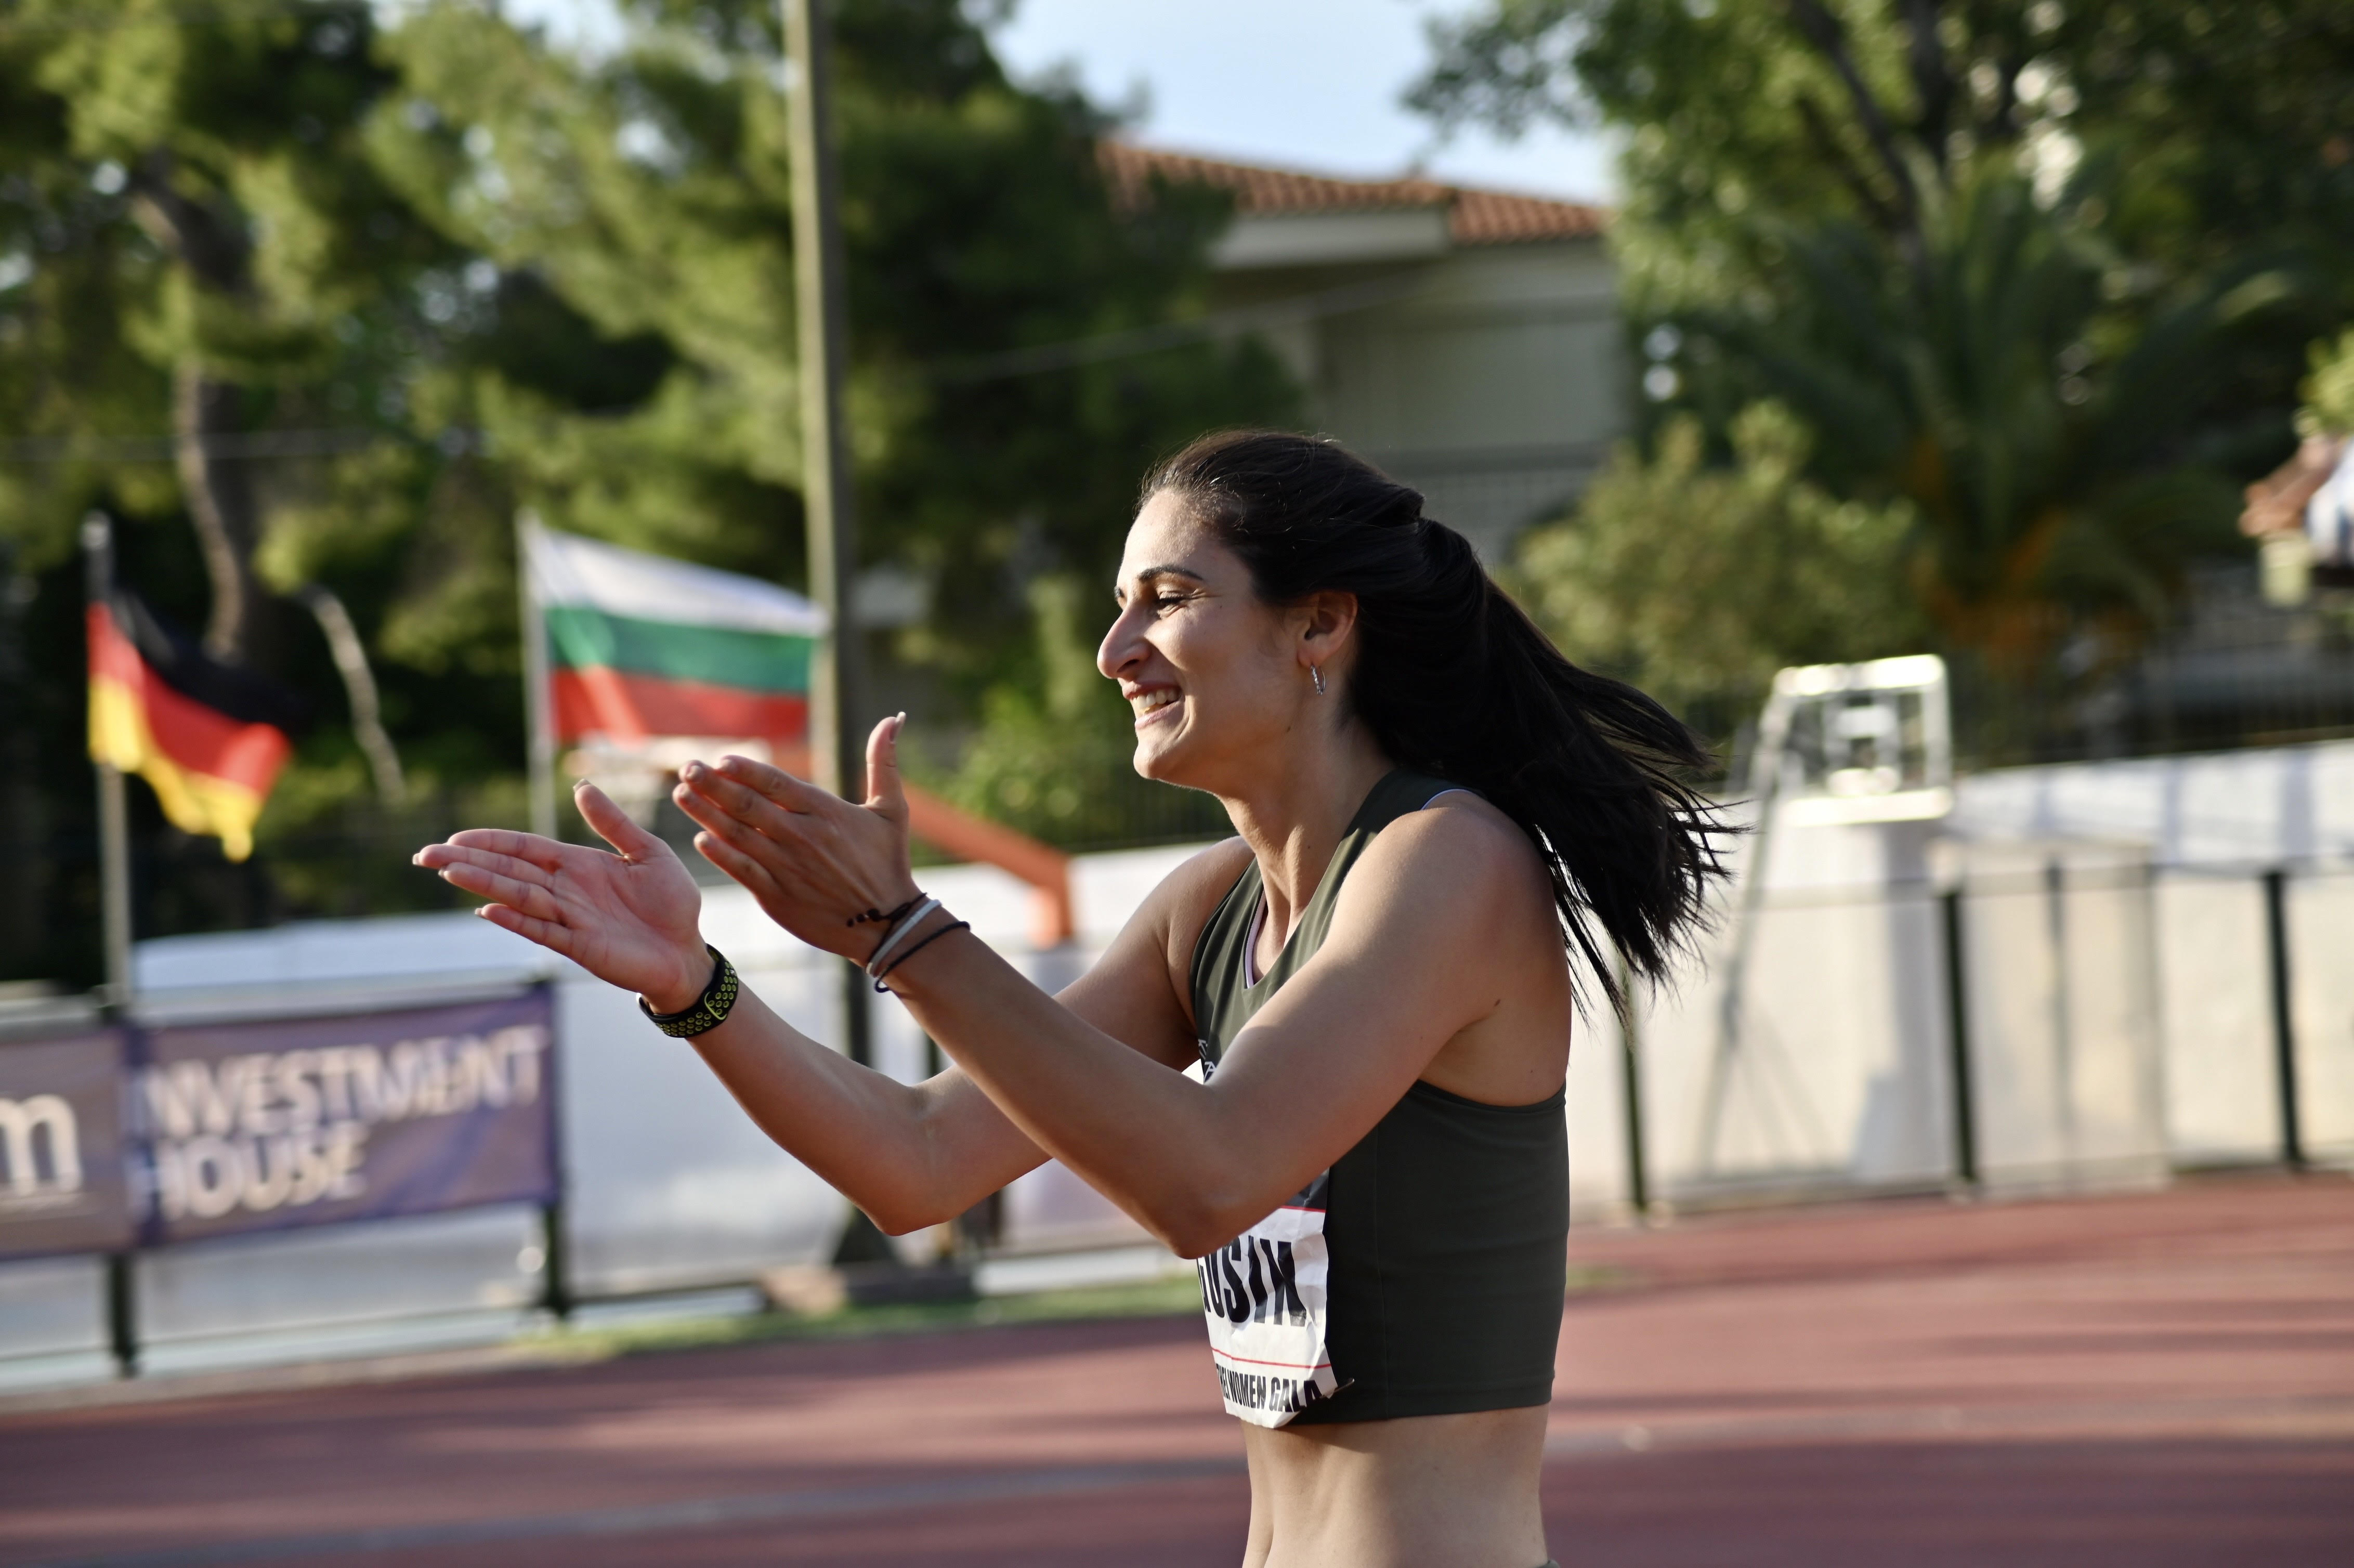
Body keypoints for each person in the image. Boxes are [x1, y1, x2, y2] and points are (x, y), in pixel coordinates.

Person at [417, 430, 1725, 1567]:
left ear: (1320, 624)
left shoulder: (1449, 860)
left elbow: (1210, 1176)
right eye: (1118, 604)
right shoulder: (1205, 907)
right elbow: (919, 1160)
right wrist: (694, 987)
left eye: (1166, 598)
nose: (1113, 652)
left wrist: (907, 931)